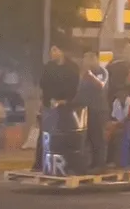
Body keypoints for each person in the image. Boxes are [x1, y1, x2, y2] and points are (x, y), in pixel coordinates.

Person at [32, 43, 79, 171]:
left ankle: (64, 165)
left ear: (62, 51)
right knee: (44, 135)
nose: (52, 53)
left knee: (63, 136)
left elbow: (74, 88)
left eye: (55, 50)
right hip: (49, 105)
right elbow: (43, 85)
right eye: (51, 51)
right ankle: (39, 164)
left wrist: (63, 101)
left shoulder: (72, 68)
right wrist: (44, 102)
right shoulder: (49, 67)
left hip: (65, 107)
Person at [72, 49, 109, 173]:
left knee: (98, 137)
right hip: (85, 111)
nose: (86, 61)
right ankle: (92, 163)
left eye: (89, 58)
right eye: (85, 58)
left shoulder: (102, 72)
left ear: (95, 59)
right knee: (88, 138)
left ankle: (101, 164)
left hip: (99, 110)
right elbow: (79, 92)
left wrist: (89, 75)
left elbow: (101, 85)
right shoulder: (83, 75)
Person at [107, 87, 130, 166]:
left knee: (119, 133)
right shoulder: (116, 102)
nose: (120, 94)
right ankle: (110, 160)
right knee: (107, 131)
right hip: (120, 125)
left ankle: (120, 161)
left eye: (121, 92)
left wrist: (119, 123)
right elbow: (114, 116)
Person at [106, 40, 130, 112]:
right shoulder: (113, 66)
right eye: (126, 49)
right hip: (114, 105)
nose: (127, 52)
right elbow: (107, 84)